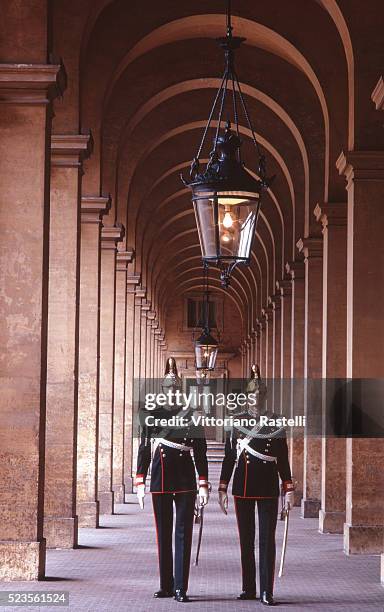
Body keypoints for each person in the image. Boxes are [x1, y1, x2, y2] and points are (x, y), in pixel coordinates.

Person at [218, 364, 294, 606]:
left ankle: (266, 591)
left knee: (267, 540)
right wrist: (222, 487)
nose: (255, 397)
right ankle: (249, 588)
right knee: (246, 540)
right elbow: (230, 457)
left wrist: (288, 487)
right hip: (243, 486)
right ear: (246, 396)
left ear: (265, 396)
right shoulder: (236, 421)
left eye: (259, 394)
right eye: (252, 394)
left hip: (268, 487)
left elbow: (282, 457)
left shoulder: (277, 421)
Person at [135, 356, 209, 603]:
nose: (171, 392)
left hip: (185, 477)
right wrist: (140, 480)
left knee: (183, 533)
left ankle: (180, 587)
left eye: (175, 388)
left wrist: (203, 483)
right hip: (161, 475)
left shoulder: (192, 415)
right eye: (168, 388)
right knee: (163, 533)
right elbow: (145, 447)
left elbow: (200, 450)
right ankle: (165, 585)